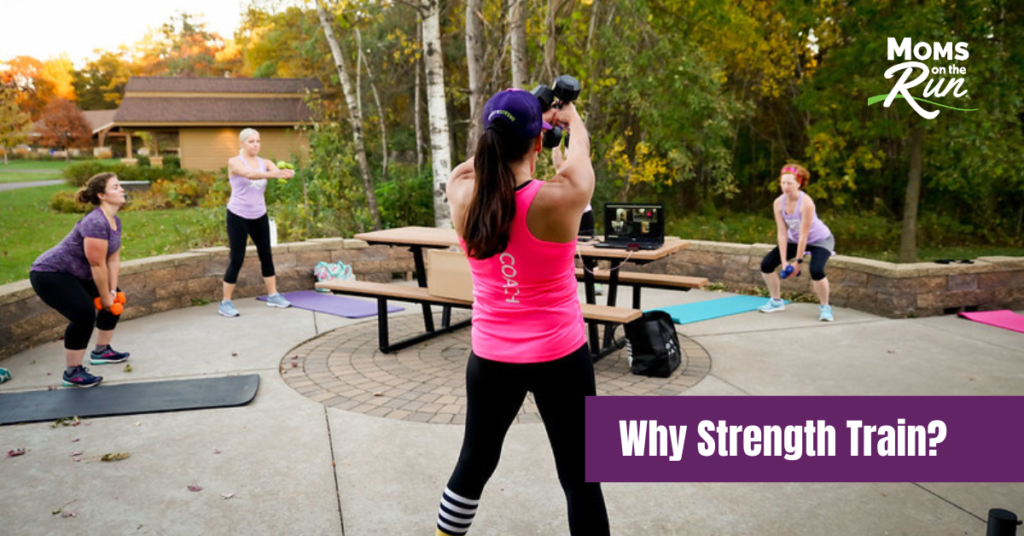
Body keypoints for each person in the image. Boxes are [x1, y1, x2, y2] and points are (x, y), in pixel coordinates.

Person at [437, 89, 609, 536]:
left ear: (487, 140)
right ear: (538, 144)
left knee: (473, 466)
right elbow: (580, 155)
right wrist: (569, 119)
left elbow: (469, 165)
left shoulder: (461, 195)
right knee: (581, 479)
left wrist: (517, 118)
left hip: (492, 359)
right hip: (561, 358)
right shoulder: (562, 197)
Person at [29, 173, 131, 388]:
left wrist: (112, 292)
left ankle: (102, 351)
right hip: (50, 273)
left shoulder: (114, 221)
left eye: (120, 185)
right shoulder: (95, 222)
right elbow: (96, 265)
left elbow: (112, 260)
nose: (122, 189)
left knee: (116, 301)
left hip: (74, 273)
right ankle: (72, 372)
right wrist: (104, 297)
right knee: (83, 313)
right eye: (115, 187)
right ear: (102, 195)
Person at [218, 128, 295, 317]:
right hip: (238, 215)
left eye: (258, 141)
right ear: (241, 144)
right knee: (237, 258)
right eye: (251, 141)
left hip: (259, 214)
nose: (255, 145)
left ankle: (273, 295)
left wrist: (285, 172)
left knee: (266, 255)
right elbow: (250, 175)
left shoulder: (265, 162)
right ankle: (225, 303)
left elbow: (276, 170)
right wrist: (274, 174)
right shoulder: (234, 162)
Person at [758, 163, 836, 321]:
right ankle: (776, 301)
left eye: (789, 183)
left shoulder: (806, 203)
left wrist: (798, 262)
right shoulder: (778, 203)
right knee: (766, 265)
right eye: (783, 183)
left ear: (798, 183)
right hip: (794, 239)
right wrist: (785, 261)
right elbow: (782, 233)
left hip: (820, 240)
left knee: (816, 271)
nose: (785, 187)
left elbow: (804, 235)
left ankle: (825, 307)